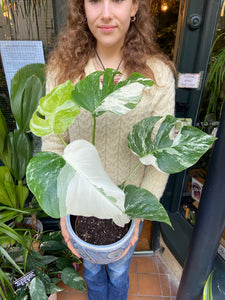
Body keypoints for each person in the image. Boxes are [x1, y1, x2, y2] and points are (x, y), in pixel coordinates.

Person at [42, 0, 175, 298]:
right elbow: (53, 143)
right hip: (81, 203)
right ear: (82, 8)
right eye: (94, 1)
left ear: (134, 7)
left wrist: (139, 212)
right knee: (91, 270)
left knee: (117, 271)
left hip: (125, 207)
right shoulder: (63, 71)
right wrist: (63, 207)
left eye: (116, 0)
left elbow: (160, 156)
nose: (105, 13)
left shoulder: (157, 77)